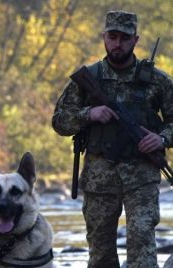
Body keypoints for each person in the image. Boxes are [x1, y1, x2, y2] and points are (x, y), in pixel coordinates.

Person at [52, 10, 173, 268]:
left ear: (136, 40)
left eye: (124, 38)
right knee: (100, 253)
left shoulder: (157, 81)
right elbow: (60, 122)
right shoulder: (88, 78)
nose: (118, 43)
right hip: (99, 178)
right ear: (104, 37)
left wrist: (162, 138)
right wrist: (89, 114)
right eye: (113, 36)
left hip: (142, 176)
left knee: (142, 249)